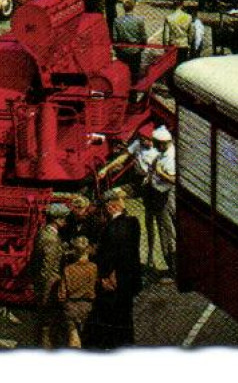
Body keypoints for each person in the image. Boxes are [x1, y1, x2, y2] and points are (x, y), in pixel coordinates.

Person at [86, 186, 141, 348]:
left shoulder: (110, 229)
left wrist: (106, 275)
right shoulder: (133, 223)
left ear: (111, 207)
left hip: (113, 280)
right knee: (126, 314)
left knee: (111, 315)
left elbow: (110, 256)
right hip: (130, 277)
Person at [140, 126, 177, 276]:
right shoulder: (162, 154)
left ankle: (173, 267)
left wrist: (160, 173)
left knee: (167, 232)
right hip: (156, 194)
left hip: (165, 197)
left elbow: (174, 179)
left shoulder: (171, 158)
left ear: (162, 143)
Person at [32, 202, 68, 348]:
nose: (65, 221)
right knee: (48, 321)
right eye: (64, 218)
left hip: (43, 283)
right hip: (50, 284)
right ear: (57, 220)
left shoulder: (43, 233)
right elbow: (48, 268)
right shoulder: (52, 240)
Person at [58, 235, 98, 349]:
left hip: (71, 306)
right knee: (87, 338)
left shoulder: (68, 269)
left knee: (73, 337)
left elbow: (61, 294)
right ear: (87, 249)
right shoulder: (93, 268)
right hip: (88, 306)